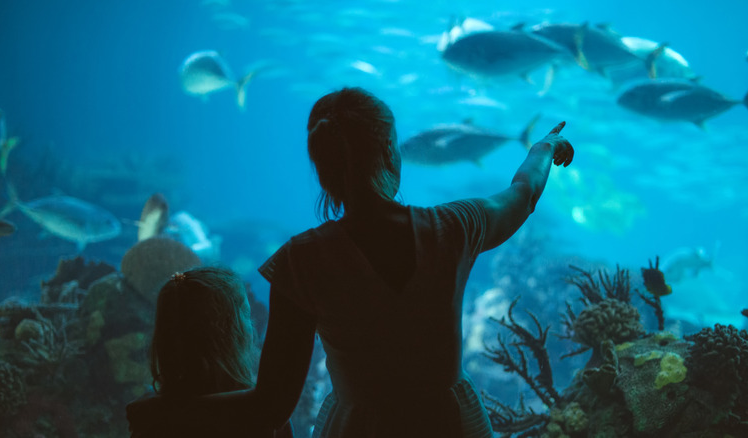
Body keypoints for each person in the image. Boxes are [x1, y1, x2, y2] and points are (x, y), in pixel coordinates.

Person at [127, 87, 574, 437]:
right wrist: (543, 148)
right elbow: (522, 195)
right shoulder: (453, 228)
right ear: (390, 154)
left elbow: (270, 406)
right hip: (449, 423)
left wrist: (167, 412)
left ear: (323, 173)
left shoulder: (301, 262)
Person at [126, 266, 294, 438]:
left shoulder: (147, 419)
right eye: (246, 314)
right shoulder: (265, 416)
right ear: (231, 332)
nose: (253, 324)